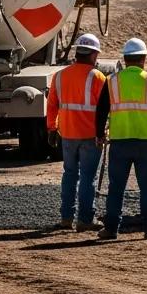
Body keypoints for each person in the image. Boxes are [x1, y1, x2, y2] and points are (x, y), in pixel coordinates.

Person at [95, 37, 147, 240]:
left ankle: (111, 229)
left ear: (125, 59)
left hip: (120, 141)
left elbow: (101, 110)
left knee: (116, 187)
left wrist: (99, 134)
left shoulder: (112, 81)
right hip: (145, 142)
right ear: (143, 59)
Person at [46, 33, 107, 230]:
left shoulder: (60, 76)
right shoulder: (98, 77)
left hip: (68, 134)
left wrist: (51, 129)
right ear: (93, 55)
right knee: (88, 178)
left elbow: (52, 106)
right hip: (90, 135)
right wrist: (104, 132)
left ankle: (66, 218)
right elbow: (106, 108)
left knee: (70, 175)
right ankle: (85, 220)